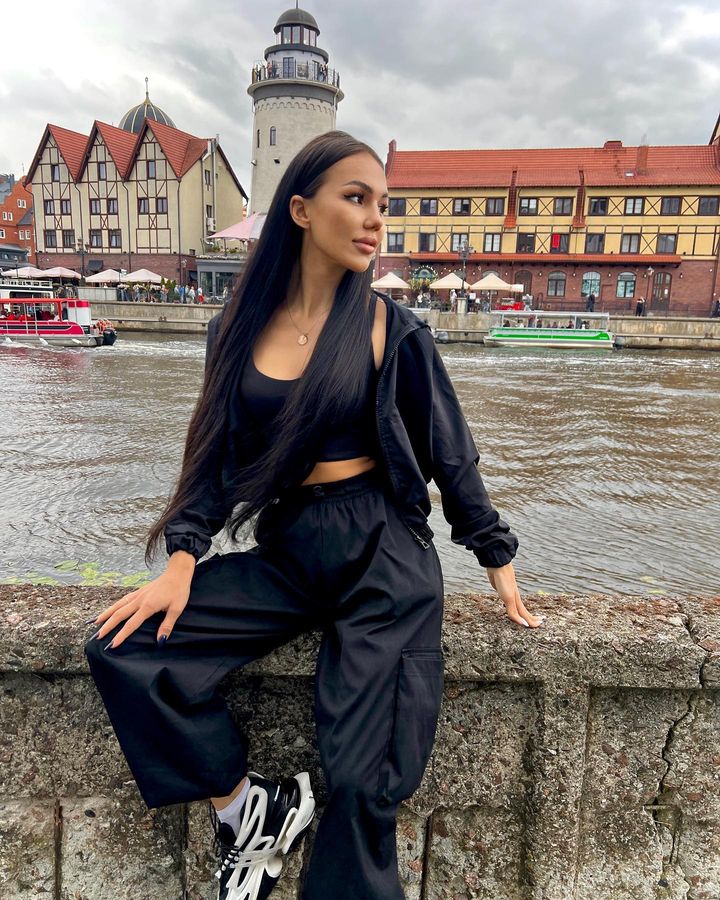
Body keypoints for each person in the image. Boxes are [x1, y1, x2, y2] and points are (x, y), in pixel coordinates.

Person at [83, 131, 539, 900]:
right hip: (292, 548)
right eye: (355, 198)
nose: (374, 220)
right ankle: (247, 808)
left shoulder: (392, 329)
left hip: (382, 554)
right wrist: (182, 562)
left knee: (362, 783)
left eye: (382, 204)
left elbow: (449, 451)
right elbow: (212, 457)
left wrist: (495, 554)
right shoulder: (237, 328)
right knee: (123, 648)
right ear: (300, 209)